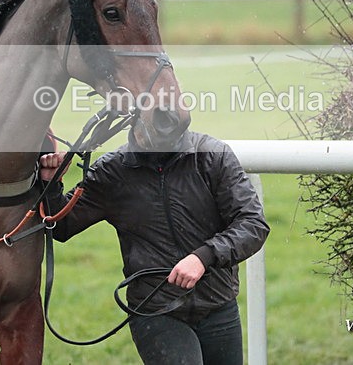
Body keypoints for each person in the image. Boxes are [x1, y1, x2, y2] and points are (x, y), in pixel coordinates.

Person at [39, 130, 269, 365]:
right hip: (155, 312)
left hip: (219, 307)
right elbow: (62, 226)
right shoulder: (112, 170)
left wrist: (203, 257)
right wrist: (51, 183)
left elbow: (253, 224)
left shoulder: (212, 156)